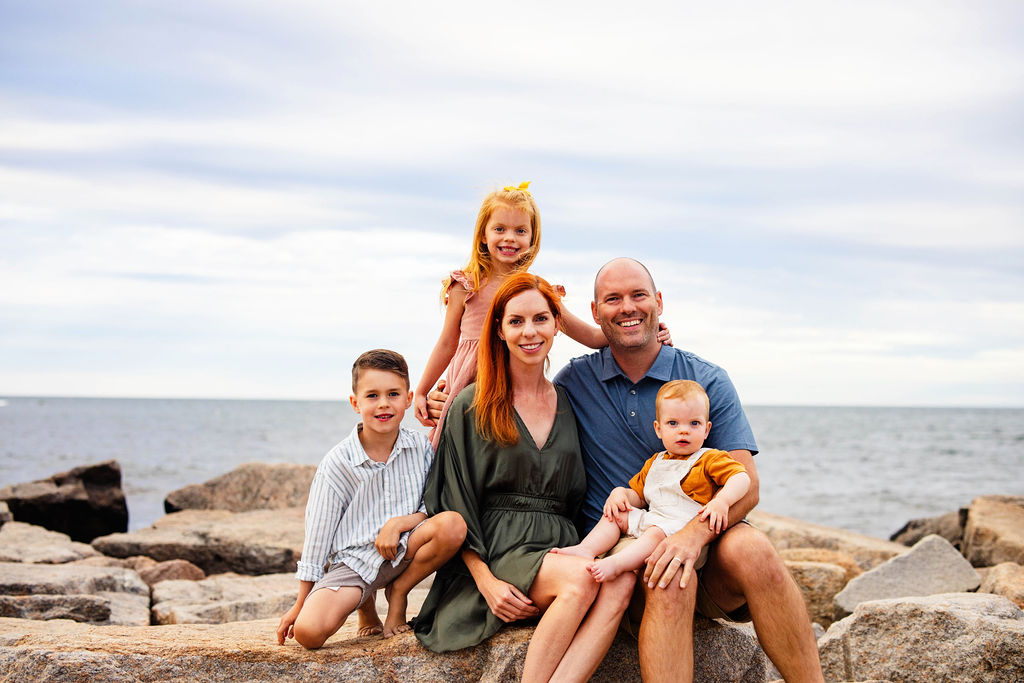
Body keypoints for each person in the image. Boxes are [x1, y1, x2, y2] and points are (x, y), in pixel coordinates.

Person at [427, 258, 823, 682]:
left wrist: (692, 537)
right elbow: (512, 396)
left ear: (659, 303)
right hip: (622, 542)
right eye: (612, 299)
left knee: (754, 548)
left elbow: (748, 485)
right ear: (595, 314)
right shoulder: (575, 384)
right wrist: (436, 398)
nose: (627, 307)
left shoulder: (704, 379)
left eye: (638, 295)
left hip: (702, 533)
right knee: (667, 572)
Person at [414, 273, 635, 683]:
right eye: (515, 321)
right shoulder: (471, 404)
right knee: (583, 580)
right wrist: (487, 582)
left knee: (619, 584)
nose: (529, 331)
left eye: (540, 319)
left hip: (560, 544)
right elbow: (450, 503)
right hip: (498, 549)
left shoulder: (569, 400)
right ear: (498, 330)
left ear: (556, 324)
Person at [413, 182, 669, 449]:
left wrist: (646, 331)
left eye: (520, 230)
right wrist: (422, 390)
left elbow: (593, 337)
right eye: (499, 229)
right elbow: (447, 343)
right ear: (483, 235)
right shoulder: (466, 285)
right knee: (457, 450)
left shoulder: (538, 292)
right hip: (470, 382)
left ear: (532, 239)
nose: (510, 238)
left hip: (516, 388)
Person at [276, 349, 466, 649]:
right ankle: (365, 606)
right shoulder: (338, 463)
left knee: (453, 525)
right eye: (372, 396)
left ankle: (398, 592)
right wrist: (300, 603)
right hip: (355, 564)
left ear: (408, 398)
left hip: (405, 550)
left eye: (393, 394)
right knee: (308, 633)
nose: (383, 404)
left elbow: (432, 505)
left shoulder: (420, 447)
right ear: (355, 403)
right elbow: (317, 537)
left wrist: (400, 523)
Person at [553, 379, 751, 584]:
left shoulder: (709, 458)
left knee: (655, 533)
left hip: (683, 533)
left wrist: (722, 501)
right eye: (673, 423)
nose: (684, 430)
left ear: (707, 429)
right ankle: (586, 549)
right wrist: (620, 493)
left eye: (694, 423)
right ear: (658, 429)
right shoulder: (655, 462)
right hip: (655, 519)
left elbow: (741, 477)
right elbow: (638, 496)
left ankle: (617, 564)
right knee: (617, 513)